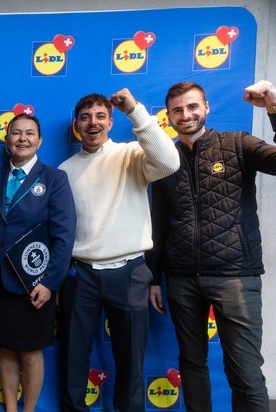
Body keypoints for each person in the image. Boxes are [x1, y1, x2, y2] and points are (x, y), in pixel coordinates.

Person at [147, 80, 276, 412]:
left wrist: (273, 108)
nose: (186, 114)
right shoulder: (165, 159)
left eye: (192, 106)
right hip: (181, 278)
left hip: (236, 276)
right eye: (177, 110)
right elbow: (158, 222)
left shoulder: (237, 143)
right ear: (169, 117)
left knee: (245, 373)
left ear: (206, 107)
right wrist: (153, 278)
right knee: (191, 364)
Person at [57, 89, 180, 412]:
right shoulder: (64, 170)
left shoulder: (132, 155)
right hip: (80, 274)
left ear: (111, 122)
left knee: (131, 361)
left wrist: (135, 110)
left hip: (130, 272)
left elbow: (169, 162)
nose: (93, 123)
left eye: (100, 116)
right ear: (76, 125)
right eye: (85, 117)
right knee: (72, 358)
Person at [0, 113, 76, 412]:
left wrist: (49, 283)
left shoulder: (54, 178)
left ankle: (29, 410)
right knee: (5, 349)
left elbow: (64, 235)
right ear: (6, 140)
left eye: (29, 133)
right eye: (16, 133)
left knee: (31, 353)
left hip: (34, 283)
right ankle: (11, 409)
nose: (22, 138)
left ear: (40, 141)